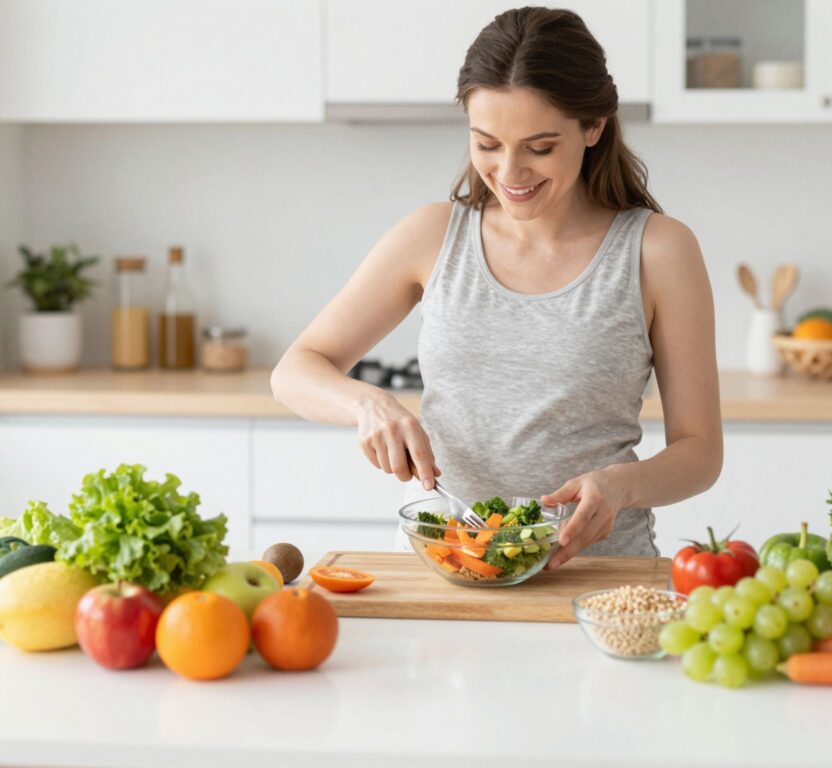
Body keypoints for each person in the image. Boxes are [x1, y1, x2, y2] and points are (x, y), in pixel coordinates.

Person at [271, 7, 722, 568]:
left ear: (594, 126)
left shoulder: (659, 251)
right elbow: (294, 371)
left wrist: (622, 486)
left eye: (538, 148)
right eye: (487, 144)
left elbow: (700, 452)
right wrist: (368, 403)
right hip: (445, 568)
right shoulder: (432, 235)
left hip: (596, 575)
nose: (510, 173)